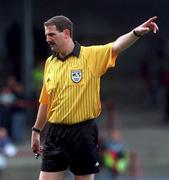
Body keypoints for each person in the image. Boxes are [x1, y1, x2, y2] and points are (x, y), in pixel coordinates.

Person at [31, 15, 159, 180]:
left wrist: (136, 33)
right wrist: (36, 130)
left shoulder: (90, 56)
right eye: (46, 35)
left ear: (66, 34)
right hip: (55, 133)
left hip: (82, 133)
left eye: (52, 34)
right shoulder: (50, 62)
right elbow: (45, 101)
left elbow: (116, 45)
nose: (47, 39)